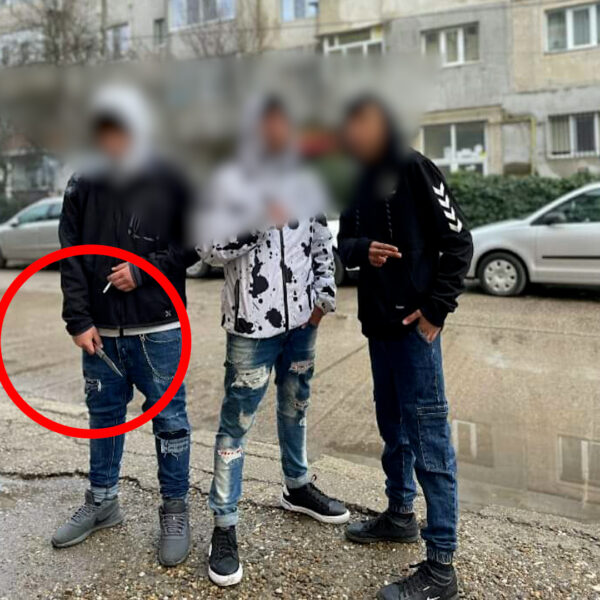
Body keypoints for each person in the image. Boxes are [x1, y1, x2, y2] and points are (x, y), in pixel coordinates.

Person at [200, 96, 349, 588]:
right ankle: (224, 525)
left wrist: (322, 300)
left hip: (301, 326)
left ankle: (297, 486)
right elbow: (207, 247)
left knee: (296, 408)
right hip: (251, 329)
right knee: (236, 425)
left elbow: (321, 242)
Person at [52, 85, 198, 568]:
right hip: (100, 335)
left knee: (170, 422)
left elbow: (192, 244)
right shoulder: (82, 183)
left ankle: (174, 510)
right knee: (104, 418)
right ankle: (102, 502)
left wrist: (144, 271)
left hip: (158, 328)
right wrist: (78, 320)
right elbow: (70, 256)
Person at [338, 96, 473, 600]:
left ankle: (441, 567)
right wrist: (363, 249)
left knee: (429, 442)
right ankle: (399, 515)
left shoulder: (415, 167)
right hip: (378, 329)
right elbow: (343, 243)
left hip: (417, 332)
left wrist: (437, 310)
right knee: (393, 430)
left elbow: (459, 242)